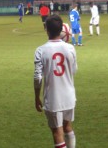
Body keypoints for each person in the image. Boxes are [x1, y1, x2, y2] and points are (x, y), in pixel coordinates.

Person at [34, 14, 77, 148]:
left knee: (57, 132)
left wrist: (36, 96)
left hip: (54, 98)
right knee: (67, 126)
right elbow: (74, 70)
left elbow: (37, 77)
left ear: (46, 29)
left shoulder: (41, 50)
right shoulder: (70, 48)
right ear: (61, 30)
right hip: (69, 96)